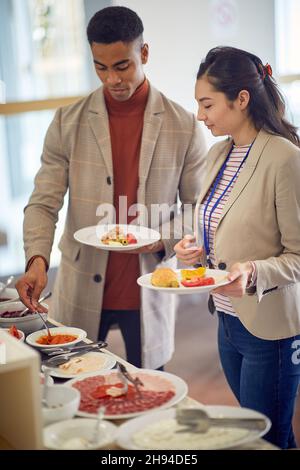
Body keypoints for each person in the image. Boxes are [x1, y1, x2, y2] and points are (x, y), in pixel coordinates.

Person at [16, 6, 207, 369]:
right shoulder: (66, 122)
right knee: (74, 385)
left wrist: (161, 239)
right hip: (81, 284)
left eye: (122, 66)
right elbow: (43, 202)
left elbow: (196, 208)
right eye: (100, 67)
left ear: (144, 53)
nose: (112, 79)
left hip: (149, 286)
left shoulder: (184, 125)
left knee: (149, 392)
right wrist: (36, 259)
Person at [175, 46, 300, 448]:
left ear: (241, 99)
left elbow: (298, 256)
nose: (199, 114)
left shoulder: (284, 159)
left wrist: (253, 272)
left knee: (267, 439)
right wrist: (193, 252)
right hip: (227, 321)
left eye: (207, 103)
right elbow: (216, 227)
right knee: (256, 435)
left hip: (271, 330)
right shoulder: (217, 154)